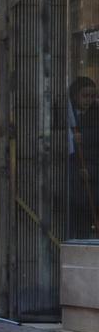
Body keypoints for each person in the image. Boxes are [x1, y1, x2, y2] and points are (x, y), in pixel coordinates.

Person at [67, 77, 99, 239]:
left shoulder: (96, 117)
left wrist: (91, 172)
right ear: (75, 96)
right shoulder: (67, 114)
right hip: (71, 184)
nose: (89, 100)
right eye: (85, 96)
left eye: (92, 96)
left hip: (90, 184)